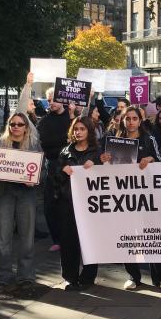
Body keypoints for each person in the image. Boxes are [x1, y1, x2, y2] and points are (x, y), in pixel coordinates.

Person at [100, 106, 161, 289]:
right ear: (122, 120)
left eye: (134, 118)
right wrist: (104, 158)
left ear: (140, 121)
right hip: (123, 197)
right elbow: (106, 168)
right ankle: (133, 276)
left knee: (152, 235)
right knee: (127, 236)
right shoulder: (114, 141)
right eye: (127, 118)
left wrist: (151, 160)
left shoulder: (149, 139)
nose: (131, 122)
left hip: (147, 197)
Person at [0, 111, 41, 290]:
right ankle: (3, 274)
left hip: (26, 194)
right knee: (4, 235)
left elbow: (43, 172)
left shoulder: (34, 145)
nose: (16, 127)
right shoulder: (0, 144)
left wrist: (34, 180)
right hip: (5, 193)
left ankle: (26, 275)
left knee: (27, 236)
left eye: (19, 124)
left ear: (26, 128)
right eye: (12, 124)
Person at [53, 116, 100, 291]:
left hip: (91, 204)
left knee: (90, 239)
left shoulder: (96, 152)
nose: (78, 132)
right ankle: (70, 277)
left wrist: (96, 164)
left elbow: (107, 173)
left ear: (89, 131)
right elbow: (55, 179)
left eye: (82, 129)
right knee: (68, 241)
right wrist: (62, 171)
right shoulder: (65, 152)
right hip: (68, 202)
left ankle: (88, 276)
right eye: (76, 129)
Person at [36, 81, 72, 252]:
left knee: (67, 203)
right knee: (49, 204)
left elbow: (73, 141)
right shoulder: (44, 121)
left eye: (54, 100)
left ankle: (68, 238)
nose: (51, 103)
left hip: (69, 166)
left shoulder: (70, 119)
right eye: (49, 100)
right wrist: (62, 143)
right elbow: (42, 143)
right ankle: (56, 238)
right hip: (52, 167)